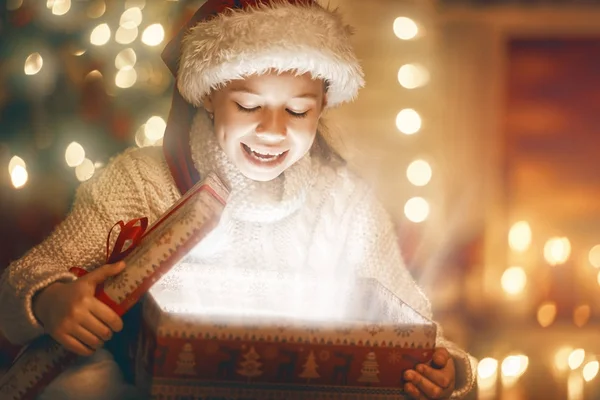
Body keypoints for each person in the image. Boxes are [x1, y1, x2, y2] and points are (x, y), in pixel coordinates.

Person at [0, 0, 476, 399]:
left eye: (297, 110)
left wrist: (447, 367)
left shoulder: (344, 204)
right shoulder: (140, 182)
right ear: (208, 96)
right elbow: (24, 280)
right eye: (248, 106)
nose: (273, 130)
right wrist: (51, 300)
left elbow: (413, 321)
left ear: (322, 106)